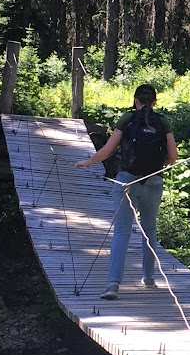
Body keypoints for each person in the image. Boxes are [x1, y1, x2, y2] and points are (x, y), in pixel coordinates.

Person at [74, 83, 178, 298]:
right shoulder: (163, 122)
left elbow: (107, 151)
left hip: (126, 181)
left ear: (135, 100)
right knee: (149, 230)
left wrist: (87, 162)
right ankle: (149, 279)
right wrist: (158, 166)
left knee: (122, 232)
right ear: (155, 102)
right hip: (154, 181)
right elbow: (173, 156)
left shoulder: (128, 119)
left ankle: (113, 285)